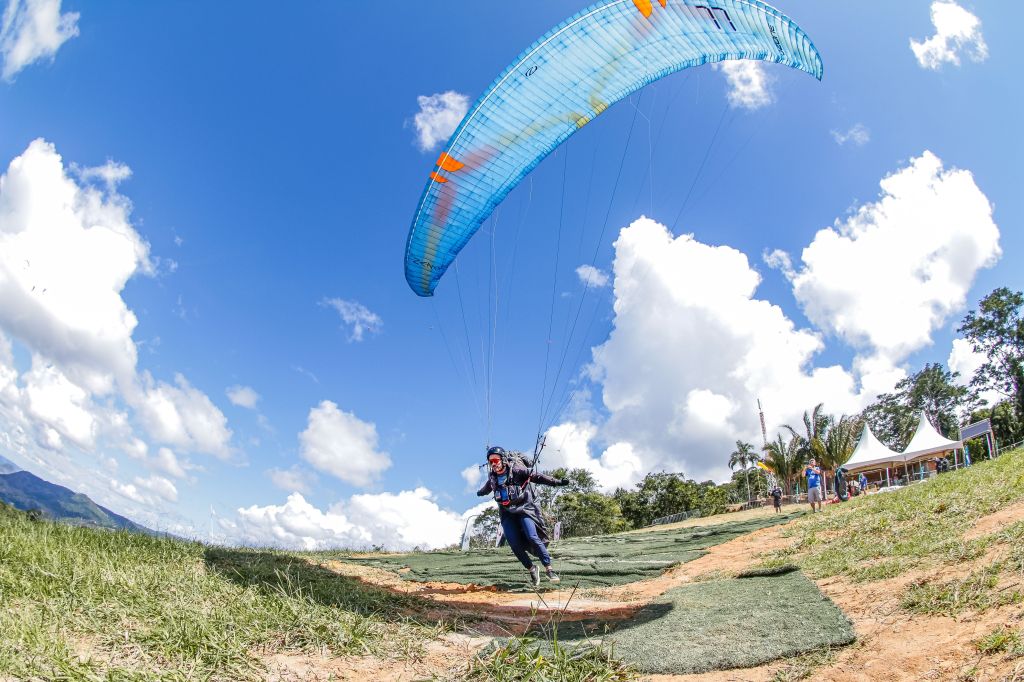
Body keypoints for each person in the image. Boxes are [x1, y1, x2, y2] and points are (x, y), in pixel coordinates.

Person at [476, 446, 569, 587]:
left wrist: (556, 482)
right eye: (490, 462)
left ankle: (549, 569)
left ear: (503, 459)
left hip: (524, 509)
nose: (493, 464)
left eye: (495, 460)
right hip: (507, 513)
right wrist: (480, 492)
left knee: (532, 536)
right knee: (513, 543)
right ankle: (532, 569)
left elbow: (537, 476)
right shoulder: (493, 477)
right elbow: (487, 488)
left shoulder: (516, 470)